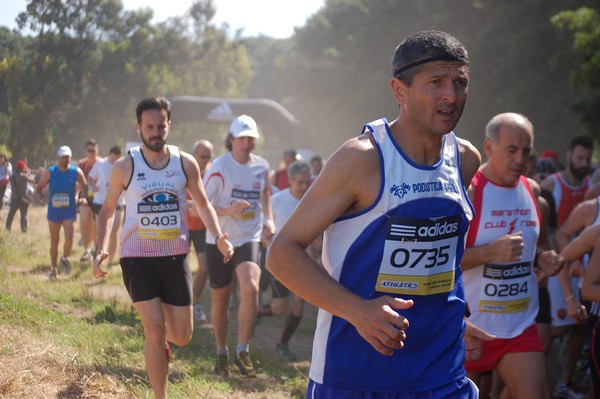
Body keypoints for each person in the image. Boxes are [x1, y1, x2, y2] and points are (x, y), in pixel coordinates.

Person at [267, 30, 495, 398]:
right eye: (436, 82)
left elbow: (442, 259)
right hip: (356, 375)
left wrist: (456, 317)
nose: (451, 96)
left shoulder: (465, 159)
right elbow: (281, 253)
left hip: (442, 372)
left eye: (459, 82)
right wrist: (358, 312)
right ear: (399, 91)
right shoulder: (361, 159)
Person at [92, 97, 234, 399]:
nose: (155, 132)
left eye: (160, 126)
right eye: (149, 127)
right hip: (136, 258)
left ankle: (160, 343)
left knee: (182, 335)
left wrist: (219, 235)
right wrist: (101, 247)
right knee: (155, 330)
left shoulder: (185, 163)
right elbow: (107, 210)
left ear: (169, 125)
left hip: (174, 256)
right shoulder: (125, 166)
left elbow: (204, 203)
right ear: (139, 128)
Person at [460, 113, 564, 398]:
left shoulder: (532, 190)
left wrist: (542, 258)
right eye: (511, 150)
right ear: (489, 147)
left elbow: (535, 246)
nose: (520, 159)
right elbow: (440, 262)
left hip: (519, 328)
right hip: (468, 330)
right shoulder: (469, 193)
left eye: (526, 151)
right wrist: (488, 252)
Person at [203, 114, 276, 378]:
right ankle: (221, 351)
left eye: (251, 139)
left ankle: (242, 349)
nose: (247, 144)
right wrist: (229, 210)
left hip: (249, 237)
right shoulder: (219, 168)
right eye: (242, 138)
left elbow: (265, 193)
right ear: (232, 139)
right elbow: (203, 205)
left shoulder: (262, 167)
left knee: (251, 286)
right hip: (220, 239)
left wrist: (268, 219)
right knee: (220, 300)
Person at [541, 135, 594, 398]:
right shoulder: (553, 183)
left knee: (581, 324)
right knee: (554, 325)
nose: (583, 163)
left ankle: (563, 382)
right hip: (557, 265)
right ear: (570, 154)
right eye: (579, 157)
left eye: (587, 159)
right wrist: (560, 259)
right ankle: (541, 380)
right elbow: (551, 230)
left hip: (583, 264)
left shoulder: (590, 185)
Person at [258, 160, 312, 360]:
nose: (304, 187)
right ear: (290, 180)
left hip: (303, 262)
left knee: (298, 305)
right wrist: (266, 235)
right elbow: (264, 223)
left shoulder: (312, 200)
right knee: (280, 308)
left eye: (307, 182)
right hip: (280, 260)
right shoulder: (277, 200)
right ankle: (259, 313)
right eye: (300, 182)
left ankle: (283, 344)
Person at [35, 146, 87, 280]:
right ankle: (53, 268)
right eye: (63, 157)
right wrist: (42, 199)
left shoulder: (76, 171)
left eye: (68, 157)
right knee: (55, 240)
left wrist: (83, 197)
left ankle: (64, 259)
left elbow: (85, 186)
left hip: (69, 209)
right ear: (58, 157)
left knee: (70, 237)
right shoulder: (51, 171)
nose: (65, 159)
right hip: (54, 210)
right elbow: (39, 188)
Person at [188, 139, 214, 323]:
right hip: (182, 226)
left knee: (204, 268)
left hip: (203, 228)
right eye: (201, 156)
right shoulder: (185, 169)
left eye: (208, 156)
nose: (204, 160)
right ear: (194, 153)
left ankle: (194, 303)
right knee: (178, 269)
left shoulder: (213, 173)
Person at [88, 145, 124, 266]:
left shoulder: (123, 165)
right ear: (109, 155)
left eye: (118, 158)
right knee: (101, 232)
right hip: (100, 202)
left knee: (114, 231)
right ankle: (97, 257)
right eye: (114, 158)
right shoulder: (100, 164)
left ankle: (110, 261)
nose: (115, 161)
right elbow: (90, 177)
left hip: (118, 202)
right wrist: (93, 186)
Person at [77, 139, 101, 262]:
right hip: (85, 196)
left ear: (98, 149)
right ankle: (86, 250)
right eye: (89, 150)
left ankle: (95, 249)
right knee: (85, 223)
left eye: (93, 150)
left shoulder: (102, 163)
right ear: (85, 150)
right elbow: (78, 181)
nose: (91, 153)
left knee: (96, 226)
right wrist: (76, 195)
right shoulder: (81, 163)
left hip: (99, 197)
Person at [5, 160, 35, 232]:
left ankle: (7, 229)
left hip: (14, 198)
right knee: (24, 216)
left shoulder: (11, 176)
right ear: (22, 168)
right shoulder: (23, 176)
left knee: (10, 215)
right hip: (23, 198)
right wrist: (27, 172)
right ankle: (24, 230)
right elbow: (33, 180)